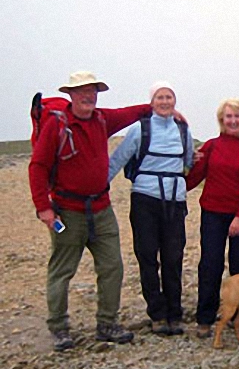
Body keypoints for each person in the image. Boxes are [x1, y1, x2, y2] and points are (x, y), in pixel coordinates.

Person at [29, 71, 153, 351]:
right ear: (70, 95)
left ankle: (107, 323)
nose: (88, 96)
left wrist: (163, 108)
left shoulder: (101, 119)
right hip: (67, 212)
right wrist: (43, 208)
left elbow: (129, 112)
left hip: (101, 209)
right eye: (82, 91)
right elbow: (37, 167)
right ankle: (59, 328)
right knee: (62, 271)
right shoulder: (56, 126)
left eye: (92, 91)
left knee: (112, 267)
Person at [108, 81, 194, 336]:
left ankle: (174, 313)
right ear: (152, 102)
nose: (165, 101)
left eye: (169, 97)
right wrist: (95, 189)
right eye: (160, 97)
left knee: (173, 257)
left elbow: (187, 161)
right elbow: (118, 160)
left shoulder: (183, 130)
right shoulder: (139, 129)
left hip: (174, 202)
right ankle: (157, 315)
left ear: (174, 101)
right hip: (145, 199)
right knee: (147, 257)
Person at [186, 98, 239, 339]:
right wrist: (182, 168)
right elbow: (193, 179)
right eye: (228, 117)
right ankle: (205, 317)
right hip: (212, 214)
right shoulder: (211, 146)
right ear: (222, 120)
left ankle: (238, 316)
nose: (233, 121)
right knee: (210, 265)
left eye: (237, 117)